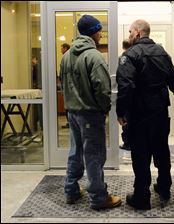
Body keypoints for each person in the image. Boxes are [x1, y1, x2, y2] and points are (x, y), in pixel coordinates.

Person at [116, 19, 174, 210]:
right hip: (160, 113)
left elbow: (125, 86)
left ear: (137, 33)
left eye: (130, 32)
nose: (129, 35)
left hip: (139, 114)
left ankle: (142, 197)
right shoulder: (162, 53)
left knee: (141, 156)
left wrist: (121, 112)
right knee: (162, 150)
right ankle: (164, 187)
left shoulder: (131, 55)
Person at [60, 14, 121, 210]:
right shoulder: (94, 56)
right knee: (93, 155)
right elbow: (103, 89)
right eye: (99, 30)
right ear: (93, 32)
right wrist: (104, 109)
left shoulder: (66, 56)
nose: (101, 34)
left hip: (72, 113)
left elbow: (64, 85)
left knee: (75, 151)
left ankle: (71, 191)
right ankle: (98, 197)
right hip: (90, 114)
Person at [119, 39, 132, 151]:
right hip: (133, 96)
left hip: (127, 96)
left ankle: (127, 143)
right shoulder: (134, 55)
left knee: (126, 122)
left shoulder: (123, 57)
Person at [60, 43, 71, 129]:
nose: (61, 50)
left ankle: (70, 122)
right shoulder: (69, 56)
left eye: (62, 48)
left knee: (68, 106)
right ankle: (70, 122)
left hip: (68, 87)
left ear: (65, 48)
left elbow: (61, 74)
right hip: (69, 87)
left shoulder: (66, 57)